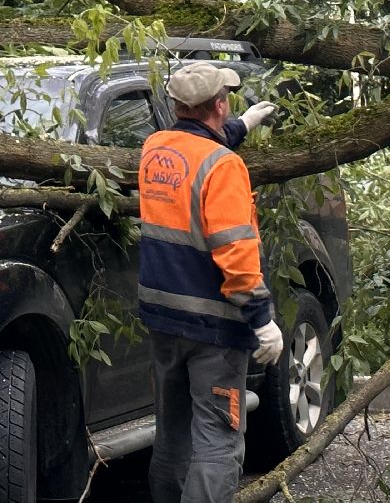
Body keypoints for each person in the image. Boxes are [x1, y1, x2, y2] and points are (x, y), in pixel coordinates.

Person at [138, 61, 282, 503]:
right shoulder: (224, 167)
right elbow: (235, 251)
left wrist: (244, 124)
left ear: (177, 106)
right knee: (219, 440)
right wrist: (262, 320)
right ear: (219, 104)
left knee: (173, 435)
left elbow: (195, 152)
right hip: (214, 328)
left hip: (163, 318)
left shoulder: (155, 149)